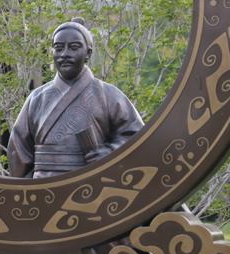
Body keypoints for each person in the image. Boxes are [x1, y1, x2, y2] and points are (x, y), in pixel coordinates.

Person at [8, 18, 143, 179]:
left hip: (92, 183)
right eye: (58, 48)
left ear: (88, 53)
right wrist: (26, 187)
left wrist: (109, 153)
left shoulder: (108, 95)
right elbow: (18, 149)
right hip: (44, 184)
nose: (64, 54)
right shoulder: (36, 98)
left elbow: (136, 137)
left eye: (74, 47)